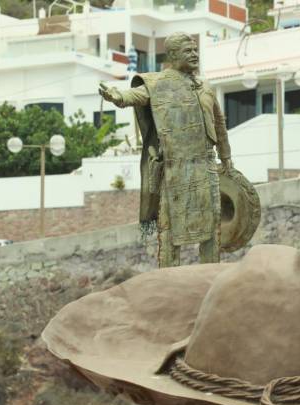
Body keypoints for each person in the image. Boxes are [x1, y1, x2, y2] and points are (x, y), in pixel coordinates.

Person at [99, 32, 231, 268]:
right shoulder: (157, 84)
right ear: (172, 55)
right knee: (169, 227)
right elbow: (135, 95)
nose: (194, 55)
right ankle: (167, 273)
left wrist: (227, 157)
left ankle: (211, 270)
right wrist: (117, 96)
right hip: (175, 167)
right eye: (188, 51)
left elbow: (219, 124)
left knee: (211, 224)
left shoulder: (206, 88)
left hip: (206, 164)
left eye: (195, 51)